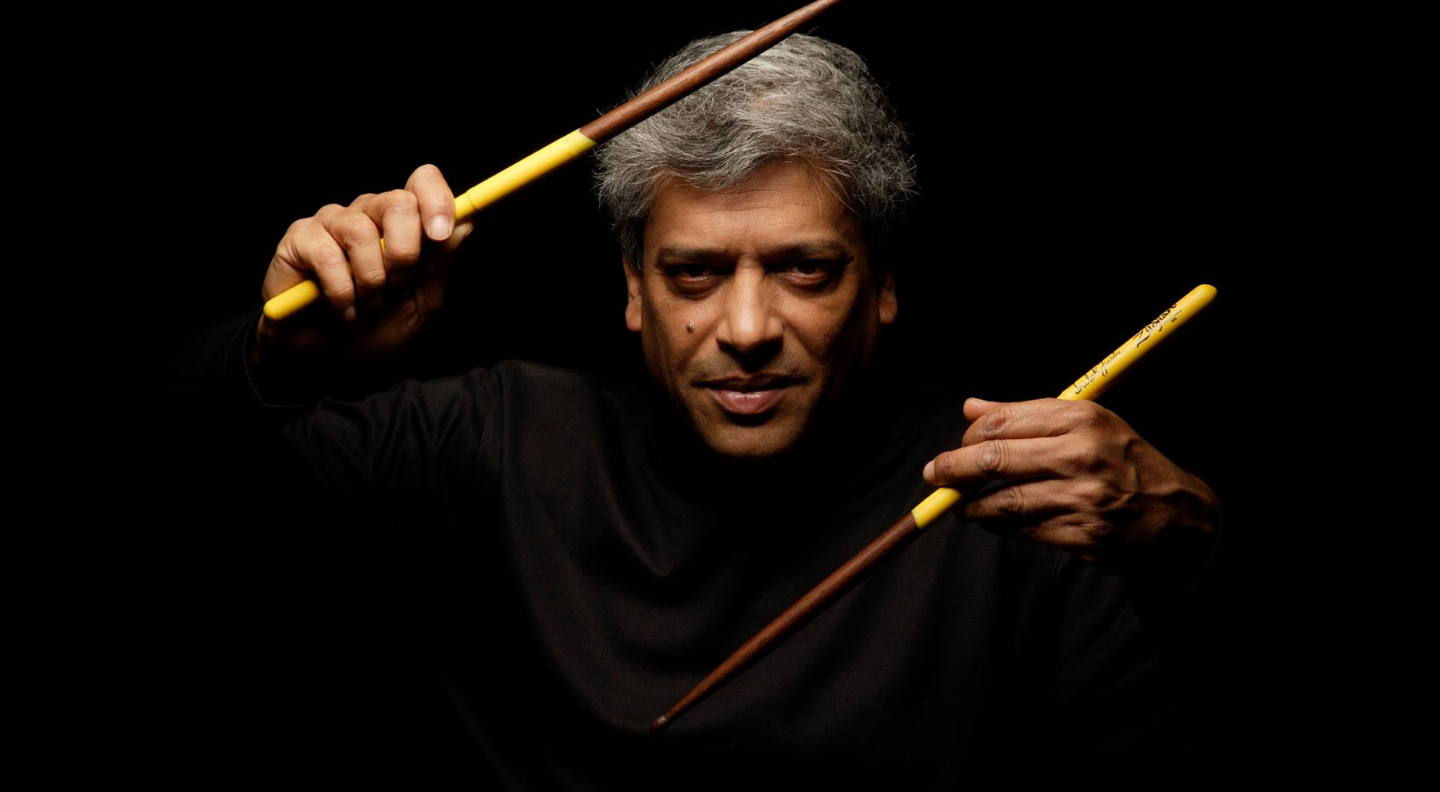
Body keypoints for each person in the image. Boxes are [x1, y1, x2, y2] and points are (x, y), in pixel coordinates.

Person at [125, 31, 1222, 788]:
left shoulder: (1025, 505)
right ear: (631, 289)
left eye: (805, 270)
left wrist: (1192, 553)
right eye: (695, 273)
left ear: (883, 286)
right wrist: (276, 358)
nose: (746, 325)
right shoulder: (485, 449)